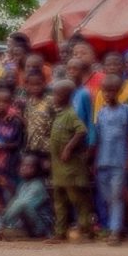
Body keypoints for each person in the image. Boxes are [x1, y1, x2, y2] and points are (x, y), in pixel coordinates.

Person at [47, 79, 93, 244]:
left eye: (56, 94)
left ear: (66, 96)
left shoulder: (71, 114)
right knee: (59, 202)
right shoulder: (59, 114)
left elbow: (81, 131)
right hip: (58, 169)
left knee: (78, 200)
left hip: (71, 170)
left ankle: (86, 231)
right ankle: (60, 232)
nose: (53, 97)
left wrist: (68, 148)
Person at [94, 74, 128, 244]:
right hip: (102, 161)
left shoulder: (126, 110)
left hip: (119, 161)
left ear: (119, 92)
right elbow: (97, 138)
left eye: (112, 91)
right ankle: (119, 226)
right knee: (107, 197)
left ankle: (114, 231)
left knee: (116, 196)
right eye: (105, 91)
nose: (108, 94)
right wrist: (94, 162)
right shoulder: (101, 113)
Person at [0, 153, 54, 240]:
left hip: (39, 227)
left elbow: (21, 207)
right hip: (21, 224)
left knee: (20, 204)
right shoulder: (23, 184)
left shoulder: (37, 186)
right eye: (22, 165)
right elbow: (12, 210)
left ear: (36, 169)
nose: (23, 168)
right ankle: (1, 231)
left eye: (28, 166)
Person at [22, 70, 54, 172]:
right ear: (27, 85)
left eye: (38, 84)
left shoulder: (50, 101)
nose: (35, 87)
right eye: (32, 84)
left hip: (48, 148)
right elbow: (27, 123)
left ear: (44, 83)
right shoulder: (28, 102)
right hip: (32, 148)